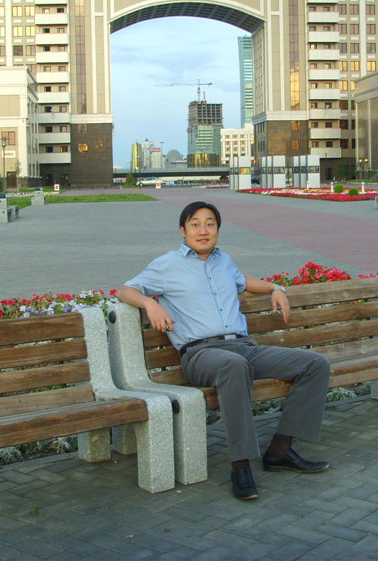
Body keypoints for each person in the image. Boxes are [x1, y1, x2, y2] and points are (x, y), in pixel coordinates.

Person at [118, 201, 331, 501]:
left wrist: (275, 288)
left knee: (315, 364)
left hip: (243, 347)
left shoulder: (224, 261)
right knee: (233, 365)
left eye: (210, 224)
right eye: (195, 224)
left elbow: (244, 281)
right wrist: (150, 304)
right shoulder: (166, 265)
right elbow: (126, 290)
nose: (203, 230)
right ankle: (240, 466)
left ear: (217, 230)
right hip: (201, 354)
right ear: (183, 231)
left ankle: (280, 451)